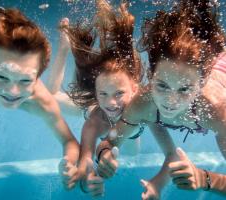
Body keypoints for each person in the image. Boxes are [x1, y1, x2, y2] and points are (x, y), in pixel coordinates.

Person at [96, 0, 226, 199]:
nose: (170, 101)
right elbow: (108, 142)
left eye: (184, 89)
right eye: (162, 86)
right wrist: (103, 155)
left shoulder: (216, 110)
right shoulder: (143, 103)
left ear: (200, 85)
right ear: (151, 75)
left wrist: (204, 178)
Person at [0, 8, 79, 190]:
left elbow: (69, 141)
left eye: (25, 80)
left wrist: (70, 163)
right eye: (1, 77)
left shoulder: (38, 98)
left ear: (37, 77)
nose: (13, 91)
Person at [61, 0, 143, 196]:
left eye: (119, 93)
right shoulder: (93, 123)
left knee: (132, 152)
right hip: (88, 109)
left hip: (125, 132)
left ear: (134, 89)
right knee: (52, 96)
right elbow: (85, 161)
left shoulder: (143, 100)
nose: (112, 102)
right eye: (103, 94)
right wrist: (86, 178)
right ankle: (63, 49)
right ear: (97, 94)